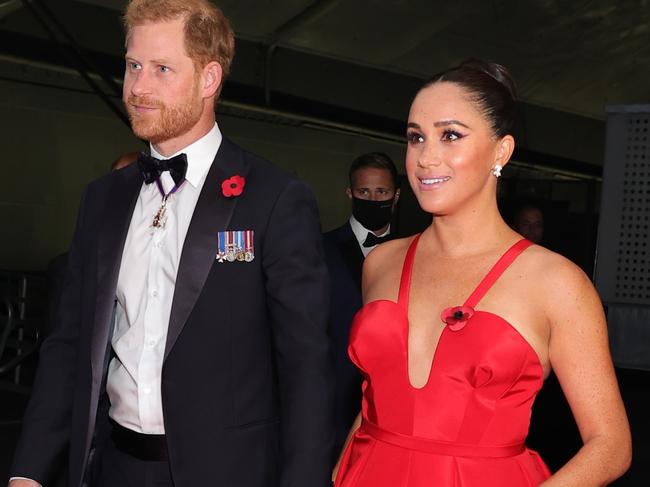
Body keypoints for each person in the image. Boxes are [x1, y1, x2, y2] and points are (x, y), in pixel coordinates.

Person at [8, 1, 334, 486]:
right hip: (112, 467)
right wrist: (28, 471)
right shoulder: (103, 199)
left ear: (208, 80)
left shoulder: (274, 199)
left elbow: (306, 367)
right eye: (133, 65)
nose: (138, 86)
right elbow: (69, 345)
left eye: (162, 68)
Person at [333, 59, 631, 486]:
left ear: (501, 151)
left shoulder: (557, 283)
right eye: (416, 137)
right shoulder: (381, 262)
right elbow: (376, 398)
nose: (425, 157)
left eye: (450, 135)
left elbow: (611, 445)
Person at [322, 152, 400, 459]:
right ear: (350, 194)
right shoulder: (319, 249)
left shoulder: (415, 254)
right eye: (364, 192)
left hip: (392, 406)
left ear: (396, 196)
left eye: (381, 192)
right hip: (333, 402)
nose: (373, 199)